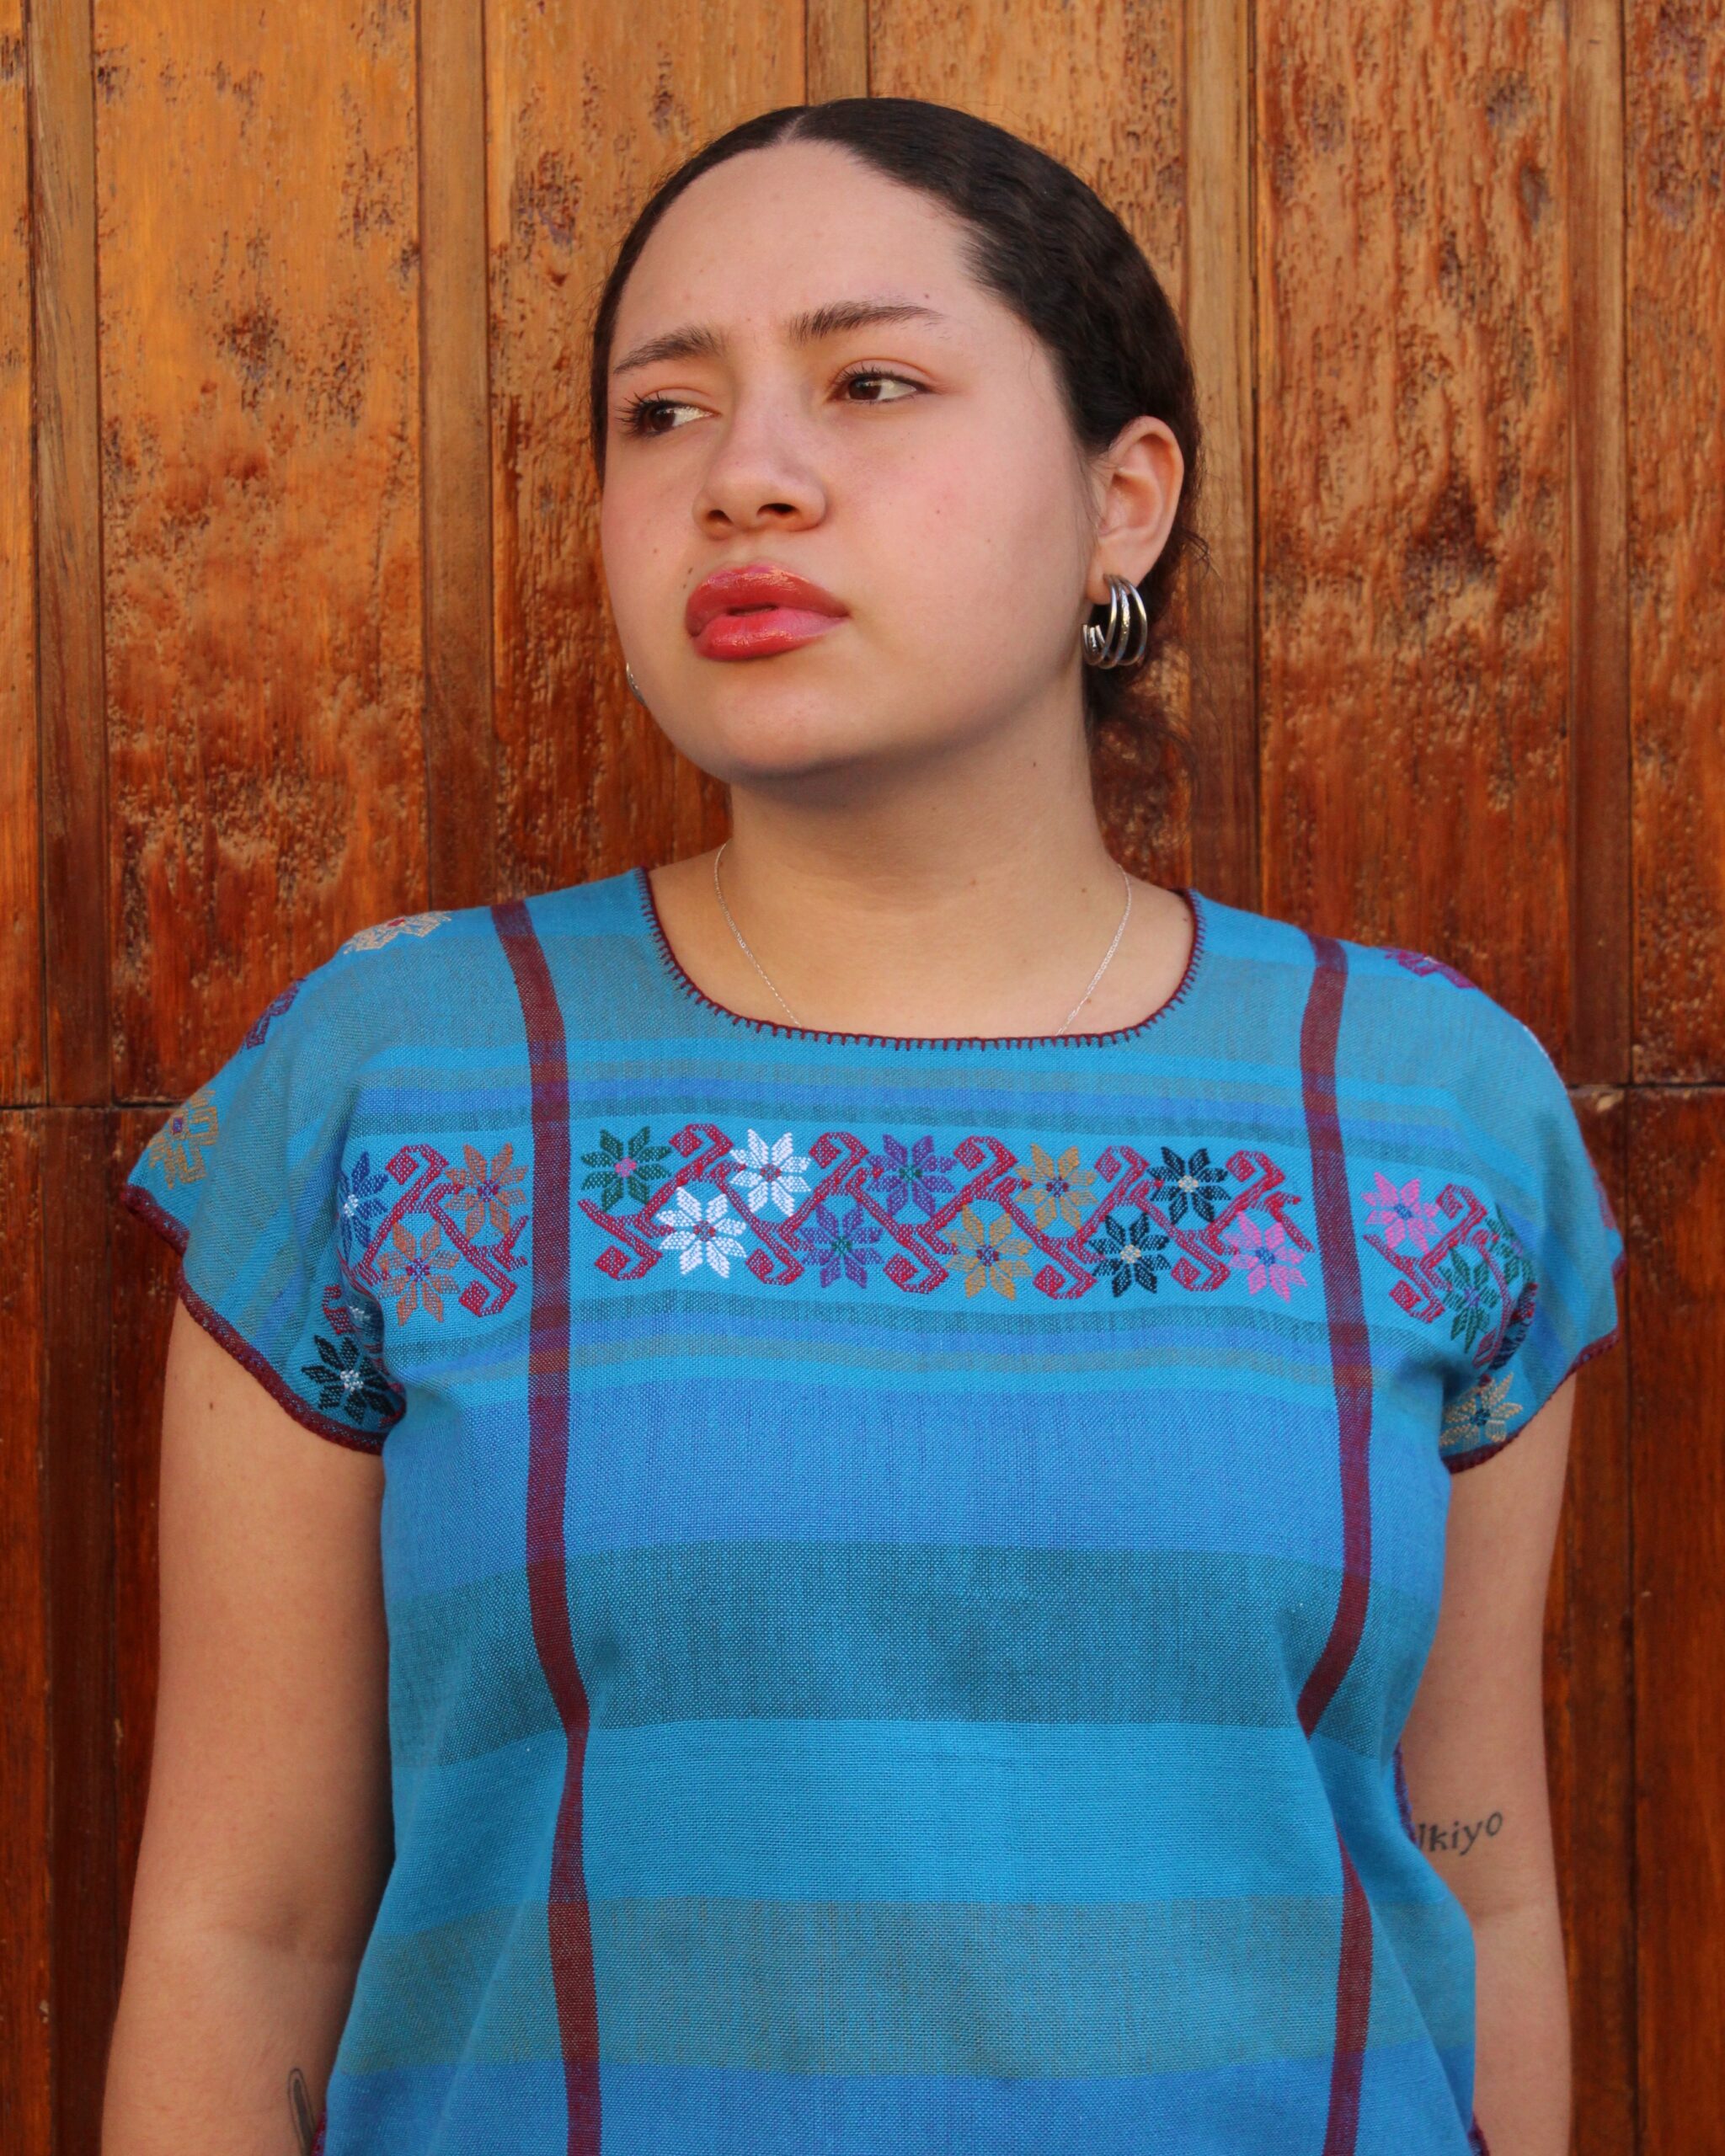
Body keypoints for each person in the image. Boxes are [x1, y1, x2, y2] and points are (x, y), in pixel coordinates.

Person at [103, 97, 1622, 2156]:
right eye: (663, 413)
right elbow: (243, 1930)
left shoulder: (1427, 1116)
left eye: (869, 383)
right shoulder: (400, 1085)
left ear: (1122, 499)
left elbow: (1477, 1877)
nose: (745, 476)